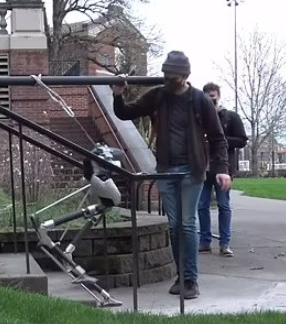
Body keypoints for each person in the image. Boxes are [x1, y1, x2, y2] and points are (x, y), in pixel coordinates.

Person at [111, 51, 231, 299]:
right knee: (174, 227)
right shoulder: (158, 96)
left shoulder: (199, 100)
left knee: (187, 225)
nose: (168, 80)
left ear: (185, 76)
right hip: (166, 170)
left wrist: (222, 170)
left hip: (192, 170)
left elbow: (218, 139)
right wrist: (117, 95)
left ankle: (190, 280)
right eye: (166, 75)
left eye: (173, 77)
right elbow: (125, 113)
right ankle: (181, 275)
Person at [197, 82, 248, 257]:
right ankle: (205, 241)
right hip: (203, 168)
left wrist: (222, 140)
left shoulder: (231, 117)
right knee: (201, 205)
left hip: (224, 167)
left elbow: (242, 140)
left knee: (223, 205)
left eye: (213, 96)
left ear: (218, 96)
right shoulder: (199, 117)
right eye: (207, 97)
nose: (211, 100)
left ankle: (225, 243)